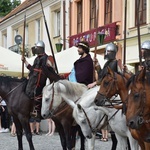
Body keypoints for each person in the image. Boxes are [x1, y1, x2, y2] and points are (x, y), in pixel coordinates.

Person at [22, 40, 55, 118]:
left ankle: (39, 112)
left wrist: (50, 65)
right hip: (34, 80)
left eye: (37, 48)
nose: (35, 49)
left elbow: (52, 69)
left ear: (41, 48)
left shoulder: (47, 58)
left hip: (43, 81)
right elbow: (32, 69)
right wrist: (25, 61)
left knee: (39, 94)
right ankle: (31, 110)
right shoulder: (36, 59)